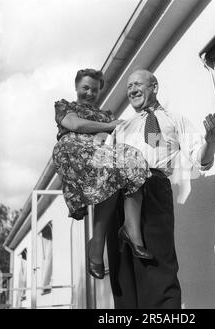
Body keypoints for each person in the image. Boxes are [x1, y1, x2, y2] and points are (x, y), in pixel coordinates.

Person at [106, 69, 215, 309]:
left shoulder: (174, 119)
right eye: (129, 87)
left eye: (137, 84)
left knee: (157, 267)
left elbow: (201, 159)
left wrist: (211, 140)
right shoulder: (121, 127)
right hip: (119, 194)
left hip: (153, 189)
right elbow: (106, 164)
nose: (132, 90)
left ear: (154, 86)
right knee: (124, 275)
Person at [52, 69, 154, 280]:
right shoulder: (66, 106)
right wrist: (107, 127)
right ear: (76, 87)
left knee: (131, 160)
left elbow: (118, 135)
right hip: (74, 152)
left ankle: (130, 230)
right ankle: (97, 244)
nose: (90, 93)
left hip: (101, 154)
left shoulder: (106, 113)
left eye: (95, 90)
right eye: (85, 88)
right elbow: (75, 124)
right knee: (111, 167)